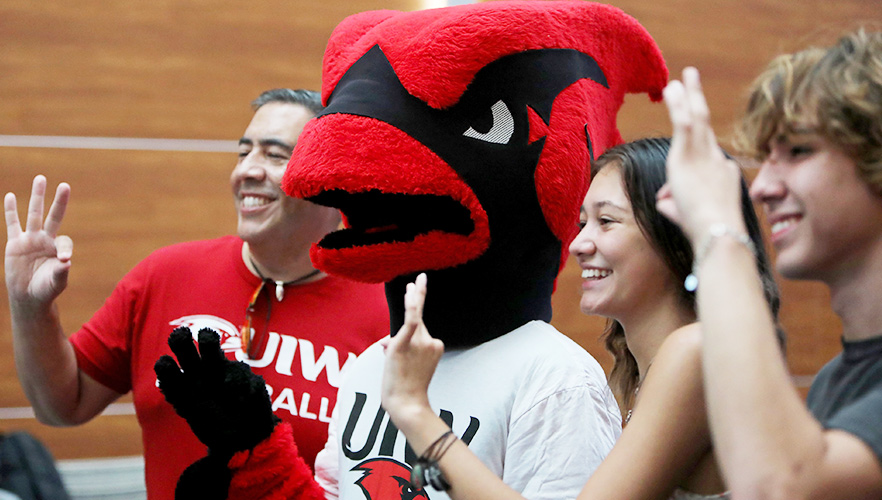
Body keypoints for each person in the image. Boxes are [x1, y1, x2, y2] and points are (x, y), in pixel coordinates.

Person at [3, 89, 389, 500]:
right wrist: (31, 309)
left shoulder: (388, 314)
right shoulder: (165, 275)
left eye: (275, 155)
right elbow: (64, 404)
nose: (248, 171)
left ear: (333, 179)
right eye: (244, 153)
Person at [380, 137, 782, 500]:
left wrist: (415, 410)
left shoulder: (694, 350)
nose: (578, 244)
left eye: (606, 221)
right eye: (582, 223)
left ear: (677, 235)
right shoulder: (650, 370)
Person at [657, 29, 882, 499]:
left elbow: (778, 486)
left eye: (798, 151)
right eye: (765, 159)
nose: (761, 188)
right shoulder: (832, 381)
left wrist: (719, 232)